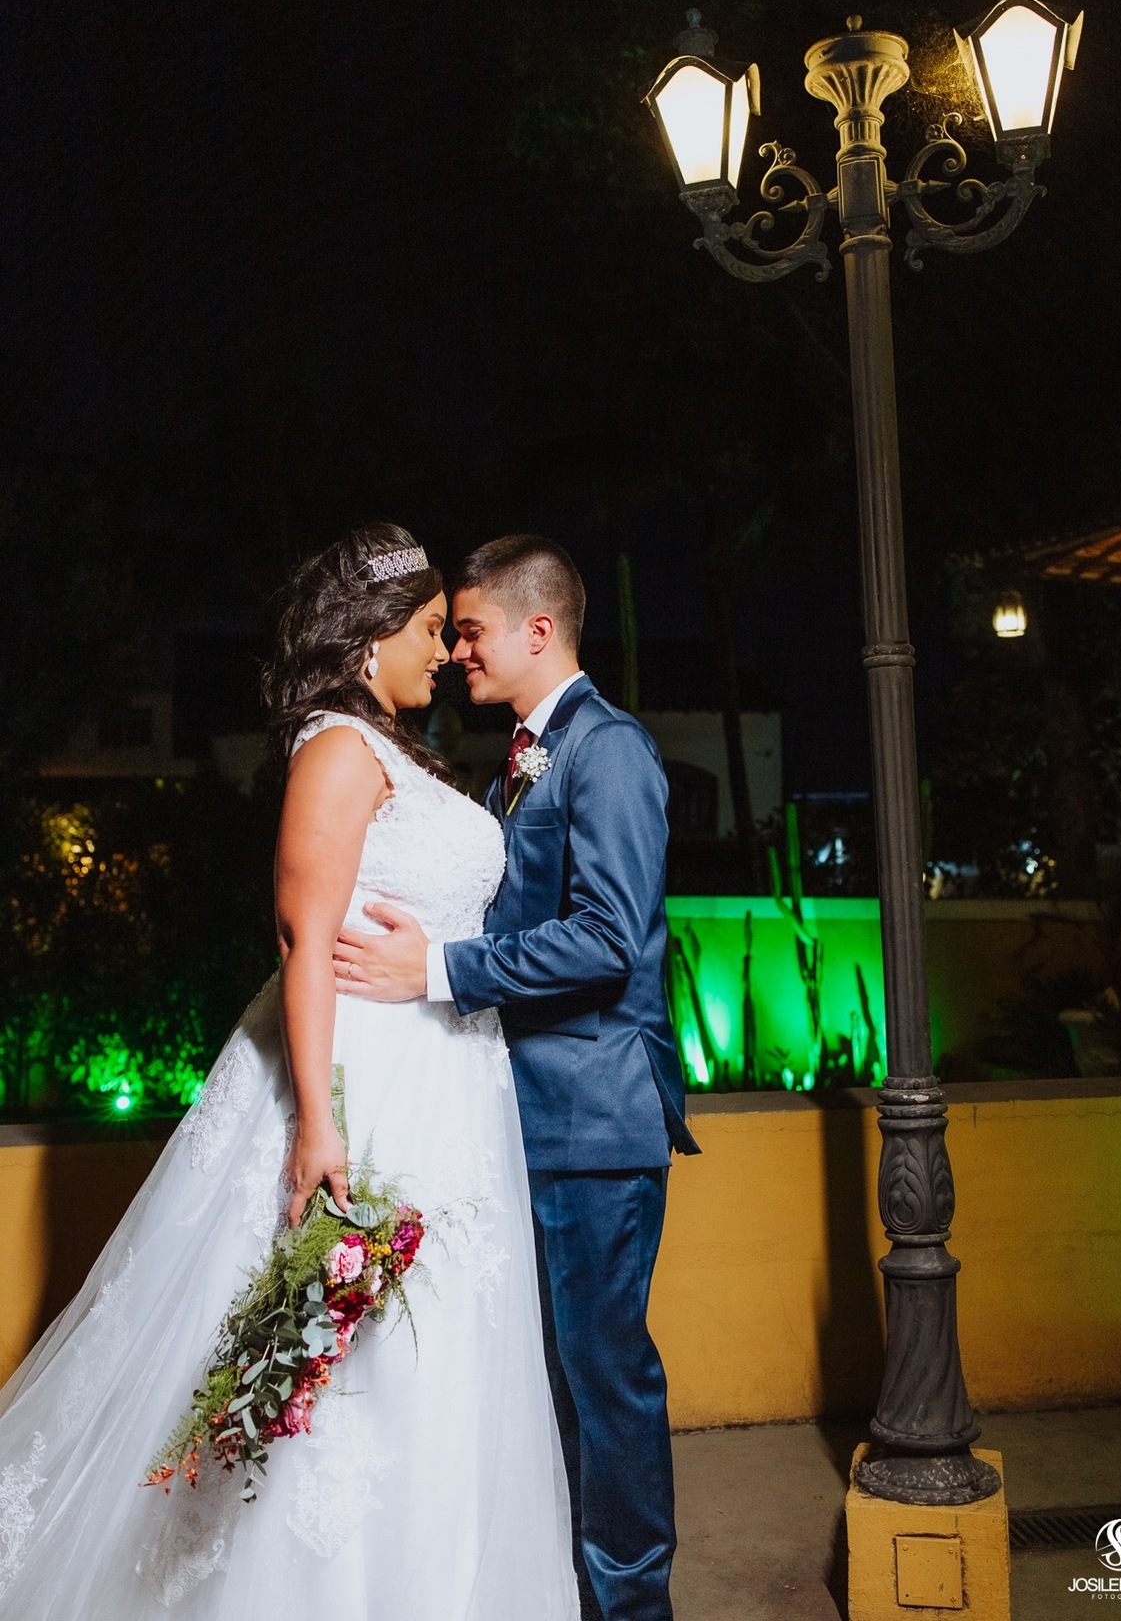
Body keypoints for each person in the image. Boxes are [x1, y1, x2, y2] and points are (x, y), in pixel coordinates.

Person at [0, 524, 579, 1621]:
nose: (445, 654)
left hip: (451, 1092)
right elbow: (305, 938)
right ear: (367, 641)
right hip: (369, 1087)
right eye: (424, 633)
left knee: (437, 1373)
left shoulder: (399, 749)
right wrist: (319, 1124)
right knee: (344, 1373)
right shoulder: (335, 748)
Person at [333, 534, 699, 1621]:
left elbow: (607, 941)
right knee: (547, 1386)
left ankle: (632, 1611)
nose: (457, 651)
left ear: (540, 631)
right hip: (526, 1117)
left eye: (473, 630)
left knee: (603, 1382)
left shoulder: (609, 750)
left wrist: (437, 968)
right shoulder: (526, 755)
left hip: (593, 1121)